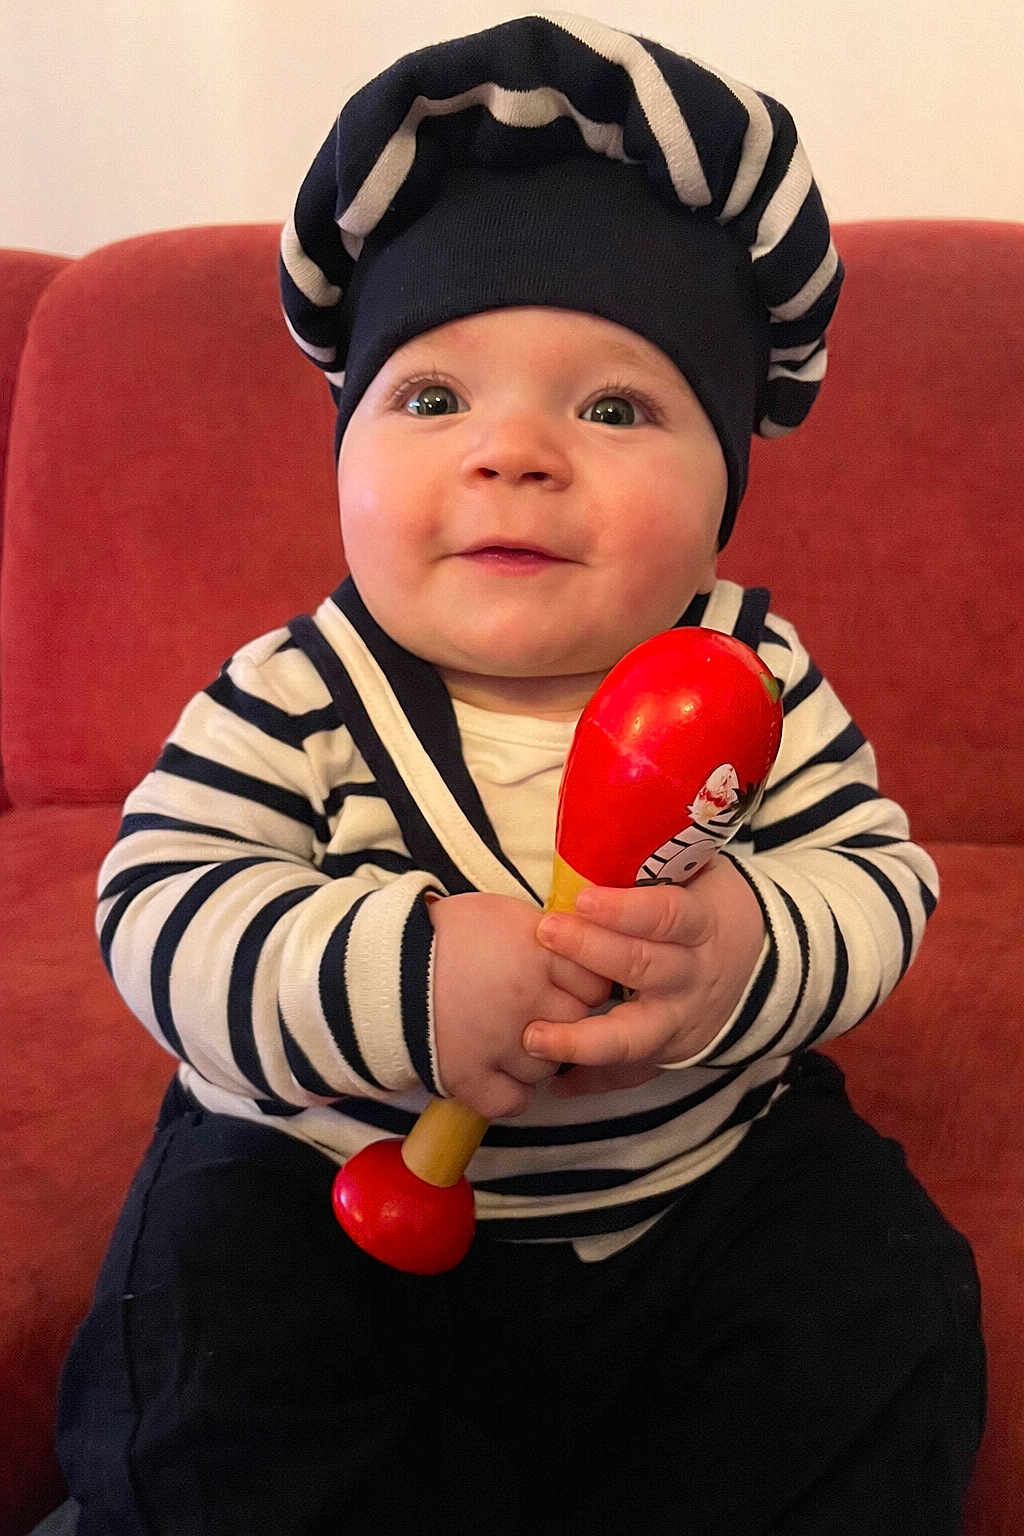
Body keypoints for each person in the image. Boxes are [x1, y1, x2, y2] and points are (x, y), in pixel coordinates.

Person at [53, 14, 984, 1535]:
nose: (516, 452)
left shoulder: (753, 677)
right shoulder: (295, 694)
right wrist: (402, 971)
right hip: (329, 1196)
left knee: (878, 1297)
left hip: (685, 1204)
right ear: (343, 450)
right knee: (203, 1334)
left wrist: (752, 947)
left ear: (726, 487)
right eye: (432, 399)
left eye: (614, 407)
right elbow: (158, 910)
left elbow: (879, 880)